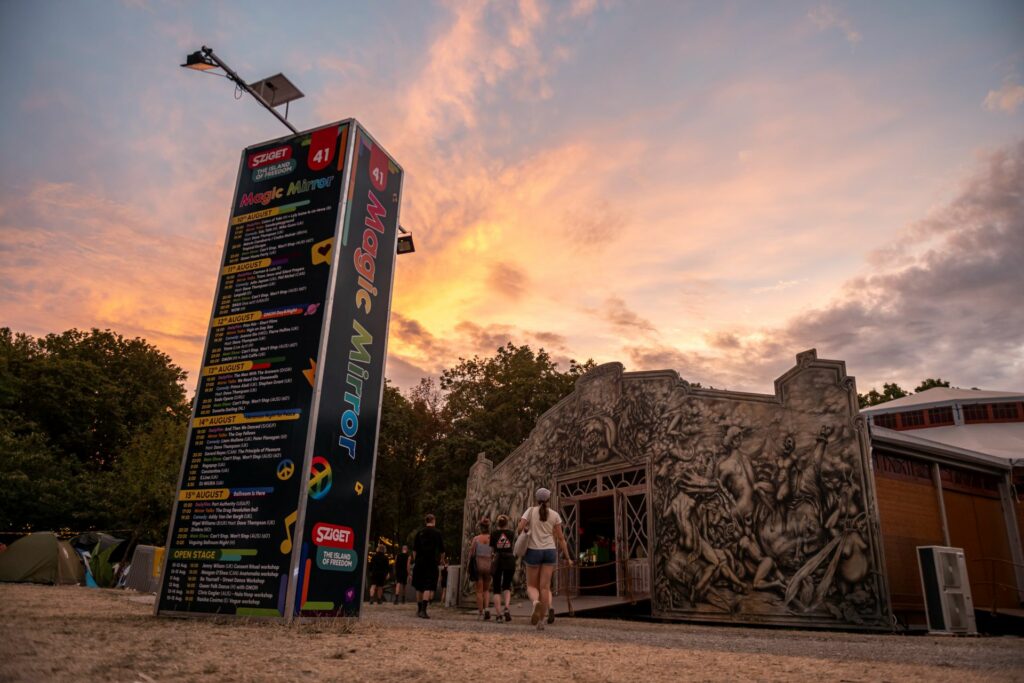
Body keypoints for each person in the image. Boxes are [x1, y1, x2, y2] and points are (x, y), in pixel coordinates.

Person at [518, 487, 572, 630]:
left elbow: (520, 527)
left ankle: (535, 603)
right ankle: (542, 621)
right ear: (548, 499)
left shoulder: (529, 511)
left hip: (533, 551)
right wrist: (568, 557)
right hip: (549, 550)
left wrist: (525, 529)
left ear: (536, 499)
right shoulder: (555, 515)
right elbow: (561, 538)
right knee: (545, 587)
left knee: (531, 586)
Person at [411, 513, 444, 618]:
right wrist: (442, 560)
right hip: (431, 561)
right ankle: (424, 610)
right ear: (433, 520)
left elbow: (414, 550)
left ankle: (419, 609)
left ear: (426, 521)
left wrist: (416, 560)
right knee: (428, 586)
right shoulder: (437, 533)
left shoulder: (419, 532)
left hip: (420, 562)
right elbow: (442, 550)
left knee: (419, 586)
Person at [490, 514, 516, 622]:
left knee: (496, 588)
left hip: (498, 561)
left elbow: (492, 550)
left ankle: (499, 615)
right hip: (509, 560)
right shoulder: (511, 534)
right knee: (507, 586)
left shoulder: (494, 533)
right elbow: (512, 546)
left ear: (498, 524)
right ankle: (506, 607)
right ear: (507, 523)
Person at [468, 517, 494, 619]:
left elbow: (471, 553)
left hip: (478, 566)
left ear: (480, 527)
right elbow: (493, 553)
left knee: (479, 591)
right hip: (488, 565)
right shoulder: (491, 539)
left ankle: (480, 612)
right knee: (487, 590)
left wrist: (468, 567)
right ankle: (487, 609)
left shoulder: (476, 539)